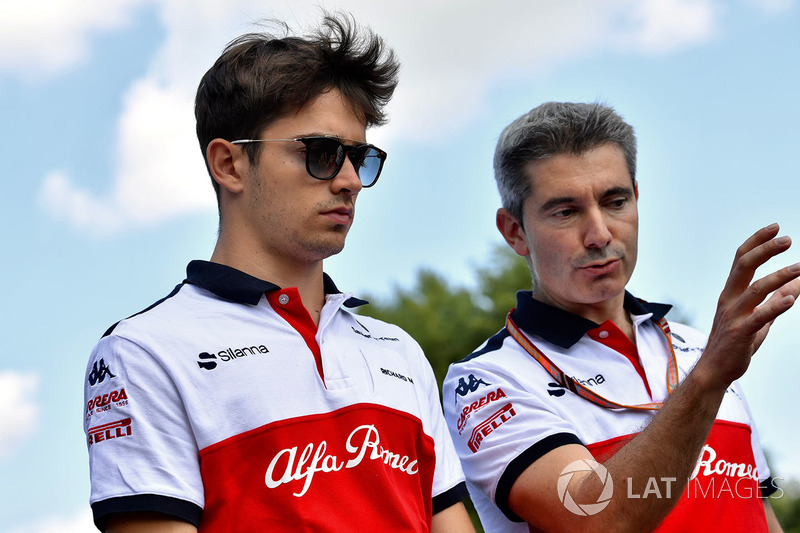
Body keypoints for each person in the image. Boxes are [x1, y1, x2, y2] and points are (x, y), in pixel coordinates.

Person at [83, 14, 474, 533]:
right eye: (322, 153)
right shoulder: (143, 352)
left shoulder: (397, 349)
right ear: (229, 165)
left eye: (361, 157)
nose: (351, 181)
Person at [442, 101, 799, 532]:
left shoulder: (701, 347)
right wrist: (709, 377)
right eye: (566, 212)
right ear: (515, 231)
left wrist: (711, 367)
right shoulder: (487, 380)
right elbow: (601, 521)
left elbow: (757, 515)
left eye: (615, 202)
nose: (599, 235)